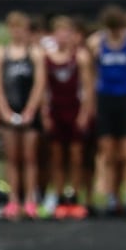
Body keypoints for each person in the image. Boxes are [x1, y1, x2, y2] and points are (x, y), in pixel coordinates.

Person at [87, 6, 126, 216]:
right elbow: (91, 76)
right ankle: (113, 197)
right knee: (109, 153)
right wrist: (91, 105)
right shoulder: (96, 43)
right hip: (105, 100)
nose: (115, 33)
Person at [0, 11, 46, 219]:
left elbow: (40, 84)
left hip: (29, 112)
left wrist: (30, 110)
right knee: (12, 158)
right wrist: (4, 110)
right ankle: (14, 199)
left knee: (30, 158)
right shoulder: (2, 53)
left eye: (21, 28)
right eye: (14, 28)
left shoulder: (34, 53)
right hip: (9, 110)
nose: (17, 32)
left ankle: (31, 199)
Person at [42, 16, 93, 219]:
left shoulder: (80, 57)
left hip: (74, 109)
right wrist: (45, 112)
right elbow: (43, 88)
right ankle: (60, 196)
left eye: (67, 32)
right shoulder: (48, 57)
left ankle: (74, 196)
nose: (63, 37)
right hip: (56, 109)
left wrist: (84, 114)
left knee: (76, 155)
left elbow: (87, 88)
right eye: (59, 32)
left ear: (73, 35)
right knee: (56, 157)